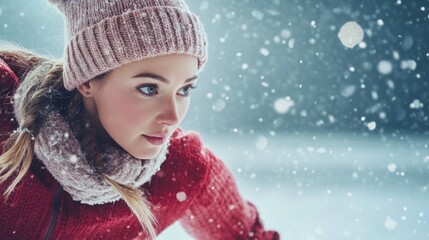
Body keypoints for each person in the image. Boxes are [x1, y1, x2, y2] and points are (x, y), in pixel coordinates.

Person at [0, 0, 280, 239]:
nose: (172, 117)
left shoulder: (182, 169)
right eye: (149, 88)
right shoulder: (5, 113)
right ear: (86, 80)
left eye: (185, 89)